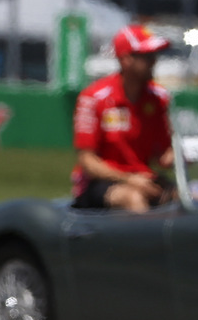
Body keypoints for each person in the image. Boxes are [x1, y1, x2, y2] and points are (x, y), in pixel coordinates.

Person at [71, 24, 175, 212]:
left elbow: (163, 155)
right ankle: (145, 242)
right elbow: (87, 161)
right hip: (99, 183)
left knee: (196, 196)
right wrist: (129, 179)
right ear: (126, 59)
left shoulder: (159, 98)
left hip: (144, 178)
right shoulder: (94, 97)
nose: (154, 62)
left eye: (154, 56)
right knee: (133, 198)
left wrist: (182, 155)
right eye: (147, 56)